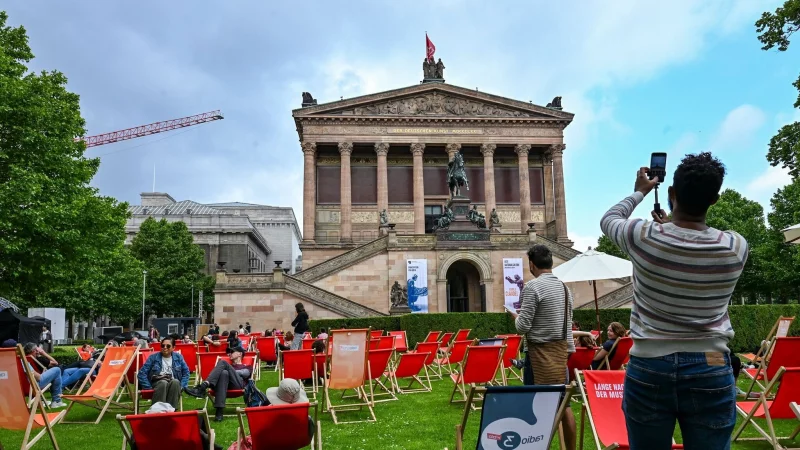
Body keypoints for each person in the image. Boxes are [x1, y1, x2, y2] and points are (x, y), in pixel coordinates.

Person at [600, 154, 748, 449]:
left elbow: (609, 219)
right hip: (712, 363)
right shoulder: (735, 246)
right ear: (715, 199)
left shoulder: (643, 236)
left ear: (671, 194)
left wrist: (640, 190)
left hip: (650, 364)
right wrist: (670, 227)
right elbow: (690, 244)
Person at [507, 245, 576, 450]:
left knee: (533, 405)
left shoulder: (532, 287)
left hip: (537, 356)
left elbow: (522, 327)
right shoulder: (565, 288)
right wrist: (567, 352)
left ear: (531, 264)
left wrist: (515, 316)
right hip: (559, 353)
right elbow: (568, 325)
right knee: (564, 405)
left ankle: (534, 445)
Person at [184, 345, 253, 421]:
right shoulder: (225, 367)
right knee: (224, 373)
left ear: (240, 354)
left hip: (238, 385)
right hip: (223, 386)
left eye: (232, 352)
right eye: (229, 352)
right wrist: (226, 370)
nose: (229, 354)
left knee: (223, 364)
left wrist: (229, 370)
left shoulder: (246, 366)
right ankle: (219, 413)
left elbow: (245, 373)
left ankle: (203, 386)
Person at [22, 343, 89, 408]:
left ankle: (53, 400)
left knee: (61, 370)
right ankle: (57, 401)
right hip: (33, 385)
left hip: (26, 386)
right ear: (34, 351)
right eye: (36, 350)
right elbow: (38, 377)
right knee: (57, 370)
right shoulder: (25, 361)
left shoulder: (18, 361)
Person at [137, 337, 191, 410]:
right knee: (163, 382)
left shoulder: (178, 357)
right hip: (157, 383)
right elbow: (141, 373)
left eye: (168, 346)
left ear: (173, 348)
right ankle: (157, 411)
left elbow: (186, 372)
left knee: (176, 382)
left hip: (173, 383)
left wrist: (182, 386)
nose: (165, 348)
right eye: (163, 345)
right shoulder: (153, 358)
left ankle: (171, 411)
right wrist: (148, 387)